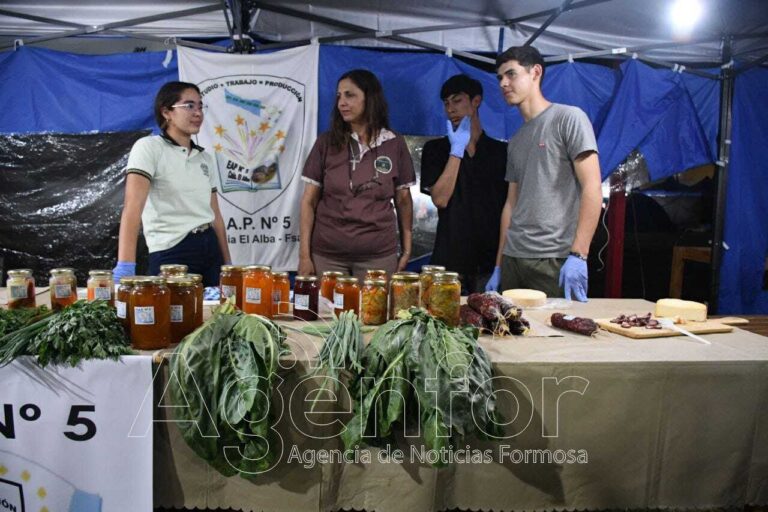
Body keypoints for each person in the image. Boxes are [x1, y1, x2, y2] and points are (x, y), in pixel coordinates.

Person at [486, 46, 602, 301]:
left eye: (511, 74)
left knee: (556, 339)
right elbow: (511, 204)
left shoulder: (568, 118)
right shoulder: (516, 139)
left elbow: (592, 187)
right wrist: (498, 264)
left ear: (536, 72)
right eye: (500, 78)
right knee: (509, 337)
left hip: (554, 259)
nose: (504, 83)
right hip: (513, 259)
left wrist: (579, 255)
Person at [299, 69, 415, 282]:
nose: (341, 102)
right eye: (338, 96)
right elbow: (308, 201)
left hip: (378, 257)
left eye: (349, 95)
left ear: (370, 98)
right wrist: (304, 256)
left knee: (375, 315)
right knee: (328, 315)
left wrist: (407, 250)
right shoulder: (326, 143)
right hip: (328, 257)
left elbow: (404, 200)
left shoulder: (394, 143)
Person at [113, 81, 232, 286]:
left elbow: (216, 216)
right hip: (172, 252)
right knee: (177, 316)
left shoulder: (205, 159)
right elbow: (133, 208)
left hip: (210, 248)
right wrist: (125, 264)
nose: (198, 113)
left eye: (200, 106)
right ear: (166, 112)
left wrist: (228, 265)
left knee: (218, 314)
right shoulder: (149, 148)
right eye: (189, 106)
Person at [421, 74, 507, 293]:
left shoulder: (501, 152)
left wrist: (500, 263)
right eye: (446, 103)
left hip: (488, 261)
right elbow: (440, 199)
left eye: (457, 100)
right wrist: (456, 151)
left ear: (475, 101)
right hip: (449, 260)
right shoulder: (435, 150)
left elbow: (510, 209)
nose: (450, 109)